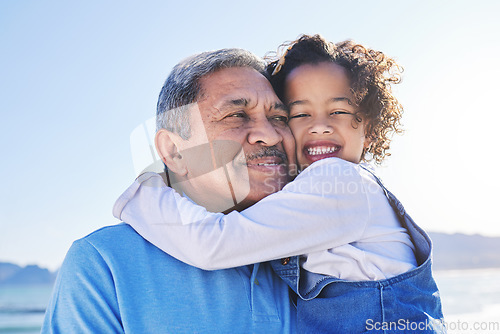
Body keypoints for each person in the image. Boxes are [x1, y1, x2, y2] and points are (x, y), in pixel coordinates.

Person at [114, 35, 445, 333]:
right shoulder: (312, 201)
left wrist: (147, 192)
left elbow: (212, 244)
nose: (320, 127)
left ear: (369, 129)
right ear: (172, 149)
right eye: (298, 115)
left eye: (339, 111)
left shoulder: (339, 181)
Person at [42, 49, 298, 333]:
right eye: (236, 115)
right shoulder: (104, 263)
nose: (271, 134)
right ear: (174, 152)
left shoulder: (325, 250)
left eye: (279, 117)